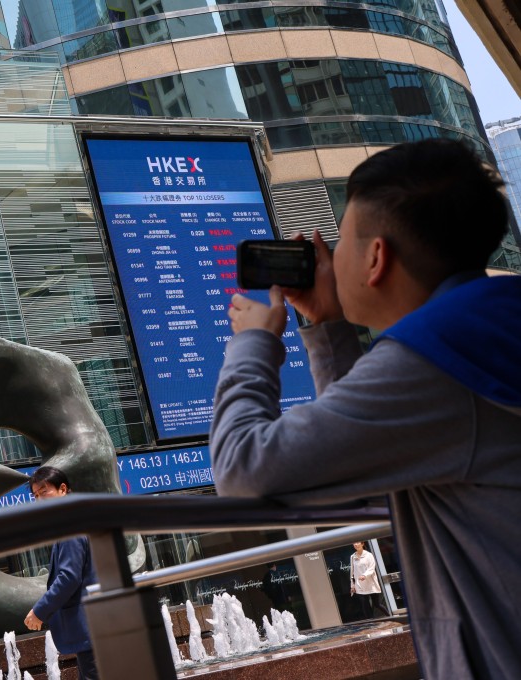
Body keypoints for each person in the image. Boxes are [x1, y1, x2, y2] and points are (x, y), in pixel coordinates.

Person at [209, 138, 521, 679]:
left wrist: (253, 345)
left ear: (376, 258)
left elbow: (242, 467)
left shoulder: (431, 360)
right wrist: (329, 328)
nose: (328, 258)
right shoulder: (488, 325)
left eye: (342, 241)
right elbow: (363, 457)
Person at [24, 466, 99, 680]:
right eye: (35, 495)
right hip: (94, 630)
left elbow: (69, 577)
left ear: (63, 489)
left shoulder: (71, 525)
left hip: (91, 631)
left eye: (44, 491)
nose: (39, 499)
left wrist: (39, 611)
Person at [349, 541, 381, 620]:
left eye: (357, 542)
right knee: (365, 606)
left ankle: (390, 617)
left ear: (362, 544)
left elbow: (372, 568)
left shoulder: (369, 555)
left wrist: (364, 575)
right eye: (354, 543)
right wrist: (352, 585)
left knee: (377, 604)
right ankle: (371, 623)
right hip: (359, 585)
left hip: (370, 583)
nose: (355, 544)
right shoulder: (352, 557)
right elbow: (352, 572)